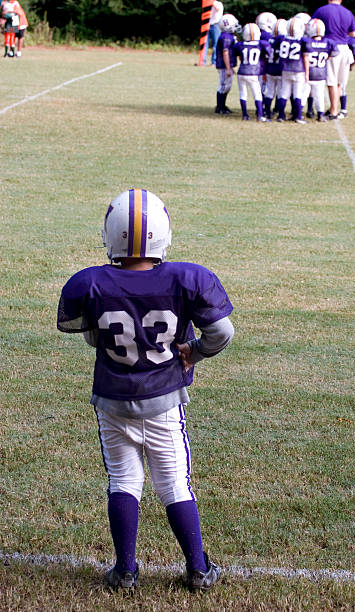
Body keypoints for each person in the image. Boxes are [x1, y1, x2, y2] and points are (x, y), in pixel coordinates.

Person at [57, 188, 234, 592]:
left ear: (110, 233)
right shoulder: (187, 278)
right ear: (163, 233)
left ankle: (125, 571)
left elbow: (89, 338)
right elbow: (222, 331)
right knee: (173, 483)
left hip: (112, 401)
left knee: (122, 480)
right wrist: (194, 351)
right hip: (163, 401)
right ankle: (198, 569)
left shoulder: (90, 283)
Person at [312, 0, 355, 119]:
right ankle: (334, 109)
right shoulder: (348, 12)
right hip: (345, 49)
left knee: (331, 82)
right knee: (339, 83)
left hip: (331, 48)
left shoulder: (322, 10)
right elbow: (353, 34)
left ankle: (333, 112)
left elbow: (312, 27)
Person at [233, 23, 272, 122]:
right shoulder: (261, 44)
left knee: (243, 93)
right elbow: (270, 54)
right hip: (253, 73)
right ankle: (260, 116)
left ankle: (245, 115)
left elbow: (237, 54)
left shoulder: (240, 45)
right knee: (257, 94)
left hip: (241, 72)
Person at [275, 17, 309, 124]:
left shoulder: (281, 39)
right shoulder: (303, 40)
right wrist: (307, 73)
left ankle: (281, 115)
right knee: (297, 94)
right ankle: (298, 116)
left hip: (285, 69)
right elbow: (305, 57)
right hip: (298, 69)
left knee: (284, 93)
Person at [304, 18, 339, 122]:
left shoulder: (307, 42)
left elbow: (304, 57)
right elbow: (333, 54)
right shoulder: (328, 43)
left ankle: (297, 114)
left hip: (309, 73)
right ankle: (320, 115)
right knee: (319, 96)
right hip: (321, 74)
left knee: (303, 95)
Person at [214, 13, 241, 114]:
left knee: (226, 86)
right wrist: (228, 67)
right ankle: (220, 107)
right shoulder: (226, 37)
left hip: (226, 65)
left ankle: (222, 106)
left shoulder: (228, 35)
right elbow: (225, 52)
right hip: (224, 65)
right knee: (224, 86)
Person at [338, 35, 355, 118]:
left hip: (341, 63)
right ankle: (338, 109)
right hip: (343, 64)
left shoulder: (351, 40)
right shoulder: (351, 40)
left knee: (340, 86)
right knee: (340, 86)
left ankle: (343, 109)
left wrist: (351, 66)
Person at [203, 0, 223, 66]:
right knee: (205, 43)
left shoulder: (219, 4)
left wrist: (211, 2)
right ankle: (202, 61)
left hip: (216, 25)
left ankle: (214, 62)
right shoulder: (209, 3)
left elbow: (217, 9)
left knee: (216, 44)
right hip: (208, 24)